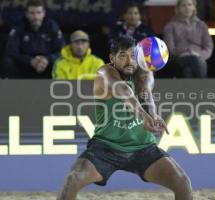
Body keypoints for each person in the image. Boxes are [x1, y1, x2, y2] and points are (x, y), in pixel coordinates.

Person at [56, 36, 193, 200]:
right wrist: (143, 116)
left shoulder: (143, 71)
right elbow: (123, 91)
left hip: (142, 148)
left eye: (133, 55)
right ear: (112, 58)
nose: (130, 61)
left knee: (182, 182)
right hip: (106, 148)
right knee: (73, 179)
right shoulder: (104, 72)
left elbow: (146, 90)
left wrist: (154, 114)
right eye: (123, 55)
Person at [3, 0, 65, 79]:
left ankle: (59, 89)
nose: (36, 17)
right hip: (24, 66)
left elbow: (62, 51)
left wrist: (47, 59)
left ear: (44, 13)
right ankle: (10, 90)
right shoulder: (19, 26)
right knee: (8, 62)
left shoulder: (51, 26)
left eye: (39, 13)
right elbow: (10, 51)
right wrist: (30, 61)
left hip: (46, 65)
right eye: (32, 13)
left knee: (62, 62)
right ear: (26, 14)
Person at [163, 0, 213, 78]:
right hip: (179, 59)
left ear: (194, 7)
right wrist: (185, 52)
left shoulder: (202, 25)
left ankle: (191, 89)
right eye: (184, 5)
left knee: (192, 66)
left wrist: (199, 55)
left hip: (199, 58)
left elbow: (209, 47)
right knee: (192, 62)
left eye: (190, 5)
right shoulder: (170, 27)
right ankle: (203, 88)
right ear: (178, 8)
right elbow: (170, 49)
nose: (187, 8)